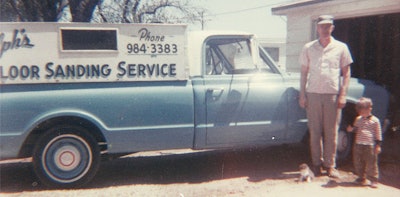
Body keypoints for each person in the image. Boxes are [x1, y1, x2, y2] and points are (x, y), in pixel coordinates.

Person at [299, 15, 353, 178]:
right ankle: (316, 164)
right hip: (313, 94)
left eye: (328, 26)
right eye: (322, 26)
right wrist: (302, 94)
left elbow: (346, 73)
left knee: (332, 132)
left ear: (332, 28)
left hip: (332, 95)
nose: (324, 29)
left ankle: (330, 166)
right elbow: (303, 73)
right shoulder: (308, 47)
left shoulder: (341, 47)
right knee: (314, 131)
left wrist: (343, 95)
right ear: (317, 28)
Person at [347, 97, 382, 188]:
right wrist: (351, 129)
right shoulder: (358, 119)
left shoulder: (375, 121)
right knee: (358, 161)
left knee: (371, 162)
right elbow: (355, 129)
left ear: (369, 108)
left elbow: (378, 134)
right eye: (359, 112)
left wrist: (378, 145)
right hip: (358, 143)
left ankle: (373, 179)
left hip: (369, 145)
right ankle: (361, 177)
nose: (361, 113)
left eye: (362, 111)